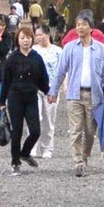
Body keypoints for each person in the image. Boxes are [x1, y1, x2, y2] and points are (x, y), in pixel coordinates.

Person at [48, 9, 104, 177]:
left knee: (90, 131)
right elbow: (60, 71)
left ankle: (85, 157)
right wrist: (53, 91)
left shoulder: (100, 49)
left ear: (91, 28)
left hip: (95, 95)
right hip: (74, 95)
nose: (80, 28)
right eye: (78, 25)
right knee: (75, 130)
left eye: (84, 25)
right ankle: (78, 161)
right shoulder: (69, 48)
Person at [0, 24, 49, 176]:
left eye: (28, 38)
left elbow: (43, 80)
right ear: (17, 40)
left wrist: (50, 93)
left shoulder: (36, 57)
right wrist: (2, 102)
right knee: (17, 132)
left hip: (31, 97)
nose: (26, 41)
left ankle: (25, 152)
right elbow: (5, 81)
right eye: (22, 38)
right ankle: (15, 162)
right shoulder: (12, 59)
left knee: (35, 131)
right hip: (15, 98)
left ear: (32, 39)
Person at [33, 22, 63, 158]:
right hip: (35, 89)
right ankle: (32, 146)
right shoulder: (33, 50)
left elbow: (63, 71)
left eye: (41, 35)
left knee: (49, 120)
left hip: (52, 90)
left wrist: (63, 86)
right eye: (36, 35)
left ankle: (47, 148)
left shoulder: (58, 51)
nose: (38, 37)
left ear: (48, 34)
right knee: (34, 118)